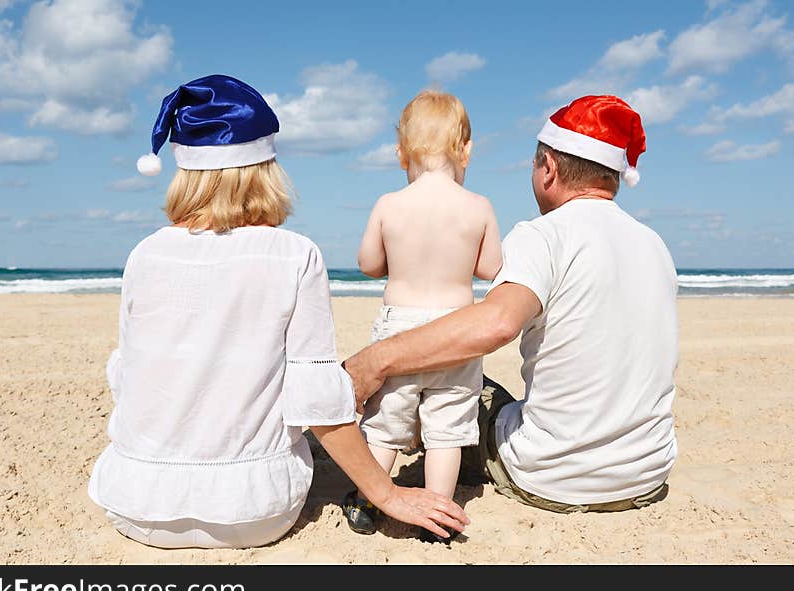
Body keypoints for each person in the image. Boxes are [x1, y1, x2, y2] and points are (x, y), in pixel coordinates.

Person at [87, 74, 468, 549]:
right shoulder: (294, 255)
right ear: (264, 169)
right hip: (252, 513)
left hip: (135, 506)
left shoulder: (145, 254)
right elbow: (315, 399)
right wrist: (386, 494)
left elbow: (132, 376)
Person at [344, 95, 678, 514]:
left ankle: (380, 494)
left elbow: (497, 323)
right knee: (451, 396)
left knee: (450, 399)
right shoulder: (654, 245)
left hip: (554, 477)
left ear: (549, 169)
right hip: (647, 474)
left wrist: (375, 361)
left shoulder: (545, 235)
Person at [344, 91, 502, 543]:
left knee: (386, 423)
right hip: (455, 329)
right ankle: (440, 516)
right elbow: (492, 269)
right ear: (466, 149)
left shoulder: (389, 204)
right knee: (448, 428)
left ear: (400, 153)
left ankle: (368, 502)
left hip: (400, 327)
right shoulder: (479, 207)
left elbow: (369, 264)